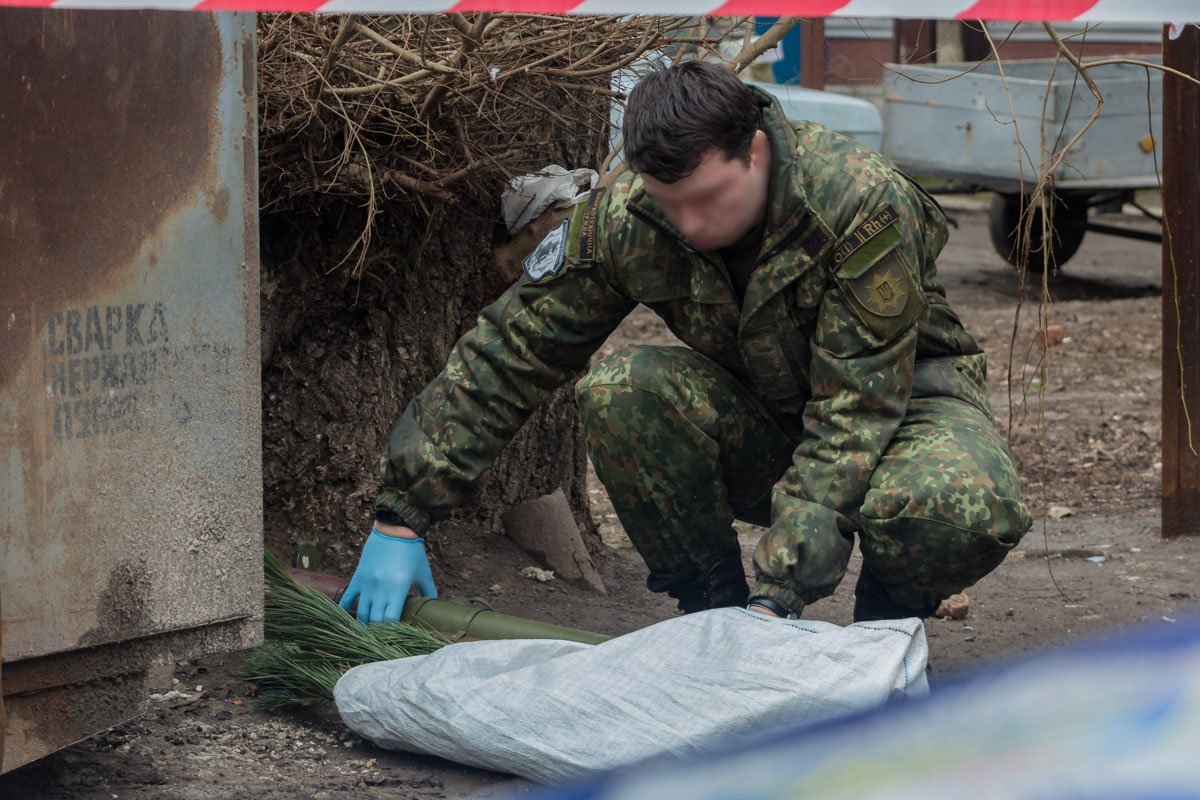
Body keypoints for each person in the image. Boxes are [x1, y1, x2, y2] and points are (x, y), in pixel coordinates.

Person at [338, 60, 1032, 626]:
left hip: (906, 411)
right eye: (670, 203)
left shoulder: (857, 204)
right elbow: (513, 349)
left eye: (708, 199)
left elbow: (853, 415)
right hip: (771, 416)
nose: (690, 225)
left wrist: (781, 595)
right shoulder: (631, 218)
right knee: (621, 390)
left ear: (754, 150)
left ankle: (888, 622)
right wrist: (403, 512)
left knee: (950, 507)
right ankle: (712, 617)